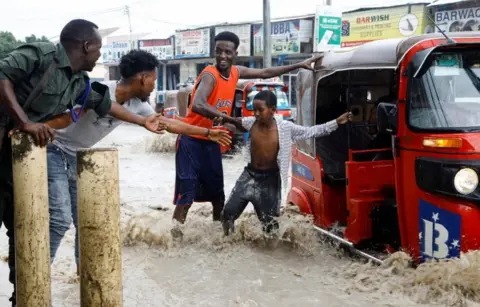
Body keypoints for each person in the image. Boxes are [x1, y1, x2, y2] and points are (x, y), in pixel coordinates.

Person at [0, 19, 163, 306]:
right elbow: (2, 75)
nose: (100, 55)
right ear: (87, 46)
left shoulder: (78, 83)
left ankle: (22, 296)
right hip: (20, 144)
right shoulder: (41, 55)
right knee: (54, 218)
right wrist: (25, 122)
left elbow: (105, 104)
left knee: (22, 227)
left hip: (20, 158)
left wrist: (142, 121)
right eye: (98, 49)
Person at [46, 49, 231, 273]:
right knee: (59, 219)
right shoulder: (101, 91)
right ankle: (37, 276)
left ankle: (82, 277)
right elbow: (61, 117)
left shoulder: (138, 106)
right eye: (153, 79)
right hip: (53, 149)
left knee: (85, 222)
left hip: (78, 158)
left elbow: (168, 124)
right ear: (142, 78)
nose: (154, 85)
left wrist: (207, 133)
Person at [172, 31, 322, 231]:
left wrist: (298, 65)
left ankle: (218, 241)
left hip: (213, 140)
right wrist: (228, 119)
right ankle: (174, 239)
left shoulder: (235, 72)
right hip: (191, 139)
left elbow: (265, 73)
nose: (222, 56)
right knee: (186, 195)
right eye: (218, 52)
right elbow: (198, 104)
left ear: (235, 53)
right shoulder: (210, 74)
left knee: (218, 196)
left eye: (227, 52)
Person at [221, 90, 352, 237]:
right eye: (254, 110)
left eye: (261, 110)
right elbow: (233, 122)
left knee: (269, 226)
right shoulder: (251, 123)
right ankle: (228, 244)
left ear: (273, 110)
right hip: (249, 176)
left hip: (270, 180)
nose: (256, 114)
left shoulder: (285, 128)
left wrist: (336, 122)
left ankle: (271, 255)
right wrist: (220, 120)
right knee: (227, 214)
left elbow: (312, 131)